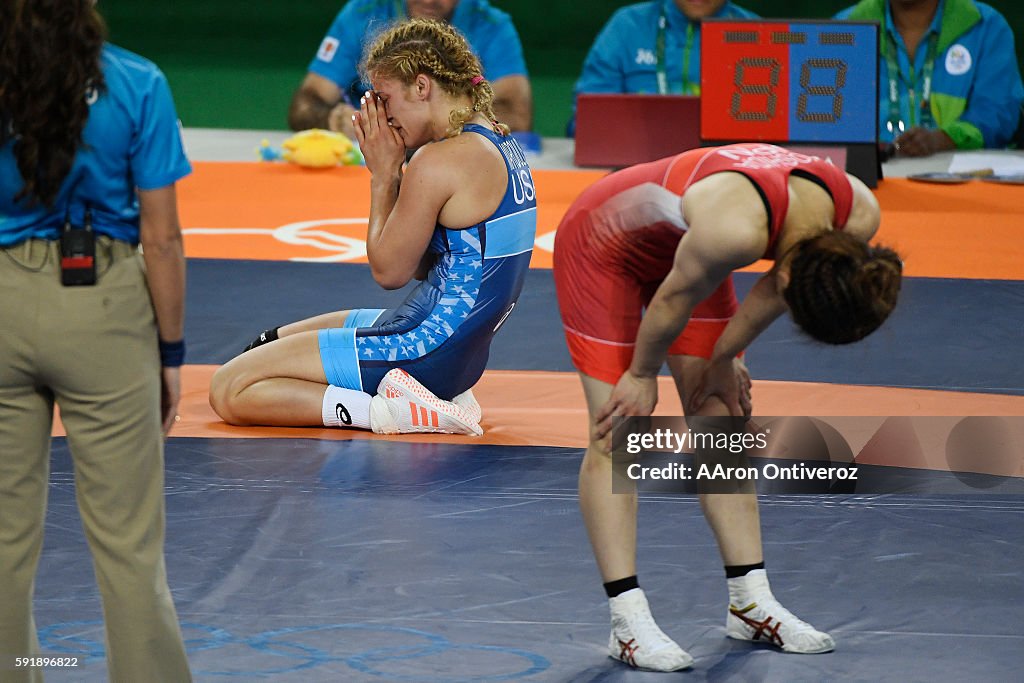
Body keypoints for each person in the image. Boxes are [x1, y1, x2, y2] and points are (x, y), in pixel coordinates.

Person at [553, 143, 902, 670]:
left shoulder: (857, 212)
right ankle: (626, 622)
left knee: (720, 415)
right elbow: (672, 300)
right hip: (604, 242)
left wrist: (722, 361)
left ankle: (750, 602)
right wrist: (642, 375)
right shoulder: (735, 230)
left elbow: (774, 287)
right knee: (619, 429)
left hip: (688, 250)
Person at [211, 18, 537, 436]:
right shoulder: (496, 139)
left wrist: (384, 176)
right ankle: (427, 398)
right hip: (455, 352)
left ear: (422, 87)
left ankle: (389, 413)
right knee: (268, 343)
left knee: (230, 387)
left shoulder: (439, 161)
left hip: (423, 352)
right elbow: (425, 266)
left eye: (384, 98)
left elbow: (390, 272)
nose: (382, 114)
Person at [0, 1, 193, 681]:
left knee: (1, 543)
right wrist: (170, 353)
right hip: (102, 311)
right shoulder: (138, 83)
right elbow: (162, 239)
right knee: (128, 544)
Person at [289, 0, 533, 137]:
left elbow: (517, 115)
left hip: (449, 157)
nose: (429, 1)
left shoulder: (492, 25)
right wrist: (337, 120)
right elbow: (305, 104)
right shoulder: (362, 12)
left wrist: (434, 126)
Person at [835, 0, 1024, 157]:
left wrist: (944, 139)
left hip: (963, 185)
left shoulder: (985, 26)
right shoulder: (843, 28)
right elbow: (826, 123)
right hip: (869, 184)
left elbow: (998, 113)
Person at [567, 0, 758, 136]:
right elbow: (588, 122)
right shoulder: (627, 25)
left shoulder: (757, 32)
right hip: (634, 165)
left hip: (726, 171)